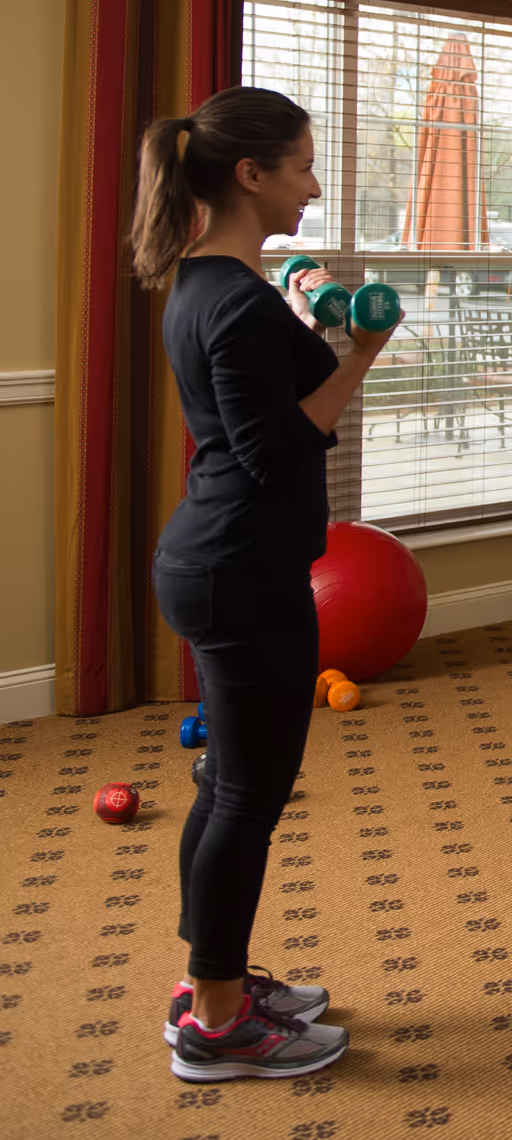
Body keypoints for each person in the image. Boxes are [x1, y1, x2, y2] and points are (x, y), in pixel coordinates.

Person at [135, 86, 398, 1079]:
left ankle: (218, 979)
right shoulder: (231, 301)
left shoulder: (212, 282)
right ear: (250, 175)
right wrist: (362, 350)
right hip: (241, 571)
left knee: (225, 787)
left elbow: (271, 374)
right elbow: (276, 446)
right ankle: (217, 1023)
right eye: (300, 167)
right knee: (248, 793)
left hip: (219, 561)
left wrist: (309, 307)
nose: (314, 185)